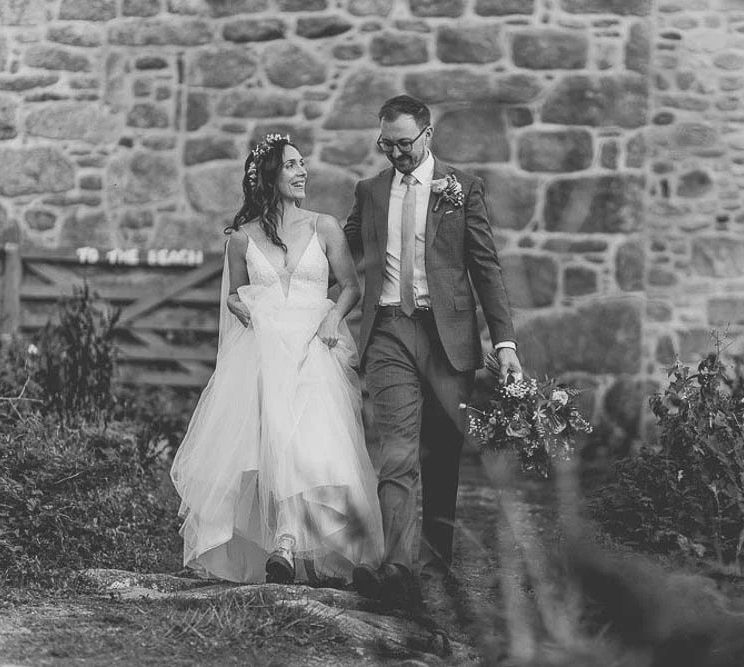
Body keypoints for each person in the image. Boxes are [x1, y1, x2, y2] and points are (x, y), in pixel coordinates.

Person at [170, 134, 385, 585]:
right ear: (270, 176)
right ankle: (284, 542)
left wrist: (332, 320)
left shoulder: (324, 226)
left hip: (314, 343)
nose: (303, 171)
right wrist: (235, 305)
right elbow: (232, 294)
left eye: (303, 164)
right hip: (264, 349)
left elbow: (351, 286)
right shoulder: (241, 239)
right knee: (278, 438)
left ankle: (356, 551)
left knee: (321, 441)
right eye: (291, 165)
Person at [344, 95, 523, 601]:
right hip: (389, 334)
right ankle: (396, 568)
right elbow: (340, 247)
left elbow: (486, 267)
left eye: (404, 144)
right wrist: (272, 228)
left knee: (441, 455)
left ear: (427, 136)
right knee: (396, 449)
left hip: (450, 339)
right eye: (386, 144)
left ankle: (436, 566)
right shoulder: (370, 192)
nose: (396, 155)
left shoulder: (463, 190)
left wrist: (504, 340)